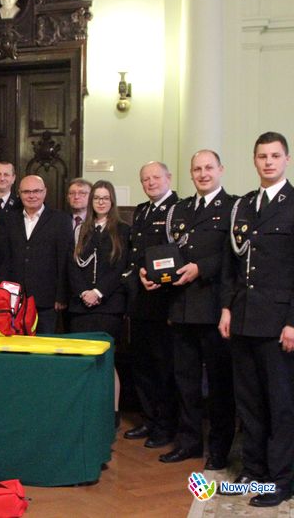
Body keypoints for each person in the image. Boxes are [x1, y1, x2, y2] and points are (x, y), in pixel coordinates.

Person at [219, 132, 294, 507]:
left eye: (275, 156)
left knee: (280, 404)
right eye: (262, 156)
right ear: (254, 160)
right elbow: (232, 264)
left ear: (287, 159)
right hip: (244, 318)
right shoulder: (244, 205)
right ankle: (254, 469)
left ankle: (281, 478)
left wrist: (293, 321)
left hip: (279, 323)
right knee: (248, 401)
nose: (268, 162)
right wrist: (227, 307)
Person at [150, 150, 235, 469]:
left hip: (213, 308)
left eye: (209, 168)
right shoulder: (180, 209)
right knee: (185, 381)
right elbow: (170, 252)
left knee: (219, 385)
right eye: (197, 169)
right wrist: (152, 271)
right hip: (181, 306)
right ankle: (189, 442)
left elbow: (233, 257)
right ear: (190, 173)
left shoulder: (232, 207)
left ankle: (220, 448)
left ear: (221, 170)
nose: (203, 174)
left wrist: (202, 268)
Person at [123, 162, 179, 448]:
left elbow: (177, 253)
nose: (151, 182)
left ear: (168, 178)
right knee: (142, 365)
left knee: (163, 367)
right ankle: (149, 419)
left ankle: (165, 426)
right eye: (145, 179)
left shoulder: (177, 209)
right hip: (140, 301)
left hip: (164, 301)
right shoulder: (142, 211)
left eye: (156, 177)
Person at [68, 180, 129, 427]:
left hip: (109, 305)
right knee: (83, 361)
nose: (101, 202)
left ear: (112, 201)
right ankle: (86, 410)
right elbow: (72, 266)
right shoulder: (81, 230)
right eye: (96, 198)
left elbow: (120, 267)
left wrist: (98, 292)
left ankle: (112, 412)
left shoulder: (122, 230)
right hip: (81, 306)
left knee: (106, 360)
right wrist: (84, 291)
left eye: (105, 198)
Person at [4, 175, 73, 334]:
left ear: (45, 192)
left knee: (44, 343)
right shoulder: (9, 219)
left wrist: (61, 295)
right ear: (19, 194)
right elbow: (6, 257)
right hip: (15, 296)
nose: (32, 195)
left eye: (36, 191)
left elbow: (64, 259)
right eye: (26, 192)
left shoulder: (60, 220)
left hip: (47, 298)